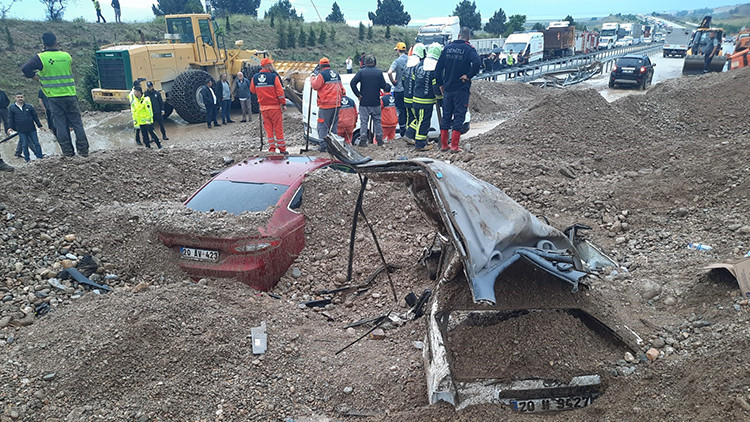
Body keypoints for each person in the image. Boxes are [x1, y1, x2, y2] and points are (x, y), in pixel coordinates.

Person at [22, 32, 89, 157]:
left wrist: (38, 79)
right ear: (56, 42)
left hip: (53, 97)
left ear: (43, 44)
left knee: (60, 124)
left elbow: (25, 69)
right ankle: (84, 150)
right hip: (70, 94)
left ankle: (68, 152)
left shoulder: (40, 58)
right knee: (77, 123)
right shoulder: (66, 56)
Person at [435, 27, 480, 153]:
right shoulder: (469, 49)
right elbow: (477, 63)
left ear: (458, 35)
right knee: (459, 115)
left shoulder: (447, 48)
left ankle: (444, 145)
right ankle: (454, 146)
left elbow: (438, 68)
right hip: (461, 88)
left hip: (447, 88)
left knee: (446, 115)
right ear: (468, 38)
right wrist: (468, 75)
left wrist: (440, 84)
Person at [250, 58, 287, 154]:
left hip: (263, 108)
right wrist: (283, 103)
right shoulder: (273, 77)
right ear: (267, 66)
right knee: (278, 128)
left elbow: (252, 90)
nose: (271, 66)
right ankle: (282, 149)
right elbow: (280, 93)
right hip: (274, 107)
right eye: (270, 65)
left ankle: (272, 148)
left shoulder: (255, 77)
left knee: (268, 129)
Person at [351, 54, 389, 147]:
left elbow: (352, 83)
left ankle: (363, 140)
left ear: (365, 62)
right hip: (376, 101)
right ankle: (379, 140)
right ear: (373, 62)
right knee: (377, 121)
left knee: (364, 122)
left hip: (364, 102)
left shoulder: (361, 72)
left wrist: (358, 94)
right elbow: (384, 86)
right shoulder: (378, 72)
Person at [406, 45, 438, 151]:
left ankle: (409, 134)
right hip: (426, 100)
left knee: (419, 120)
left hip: (416, 98)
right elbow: (435, 86)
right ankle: (420, 144)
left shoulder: (420, 64)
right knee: (424, 122)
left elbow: (414, 80)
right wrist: (440, 98)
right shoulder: (434, 68)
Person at [310, 57, 346, 152]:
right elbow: (342, 90)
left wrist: (313, 77)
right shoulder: (336, 74)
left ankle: (323, 145)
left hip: (326, 105)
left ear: (320, 66)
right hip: (336, 104)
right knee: (333, 126)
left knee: (322, 125)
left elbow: (315, 86)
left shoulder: (322, 75)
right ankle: (334, 145)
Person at [7, 92, 44, 162]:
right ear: (15, 98)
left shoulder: (29, 106)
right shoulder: (12, 108)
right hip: (21, 130)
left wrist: (39, 125)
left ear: (24, 98)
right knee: (24, 145)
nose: (20, 98)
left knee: (36, 143)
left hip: (32, 128)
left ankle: (40, 157)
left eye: (21, 97)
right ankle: (27, 159)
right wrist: (10, 127)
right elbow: (10, 118)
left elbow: (35, 116)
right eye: (18, 97)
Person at [401, 43, 423, 145]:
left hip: (406, 96)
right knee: (418, 118)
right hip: (414, 97)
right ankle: (409, 135)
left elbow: (403, 80)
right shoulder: (418, 65)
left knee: (409, 117)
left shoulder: (408, 63)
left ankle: (409, 138)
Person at [387, 41, 408, 137]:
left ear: (398, 50)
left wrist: (393, 81)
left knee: (401, 111)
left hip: (399, 90)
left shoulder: (397, 61)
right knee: (409, 110)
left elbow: (389, 72)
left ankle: (403, 131)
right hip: (408, 89)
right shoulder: (409, 60)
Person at [128, 80, 143, 145]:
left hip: (138, 111)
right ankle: (137, 140)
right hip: (135, 112)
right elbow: (135, 102)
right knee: (137, 127)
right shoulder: (133, 93)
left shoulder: (134, 92)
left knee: (142, 126)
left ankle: (142, 139)